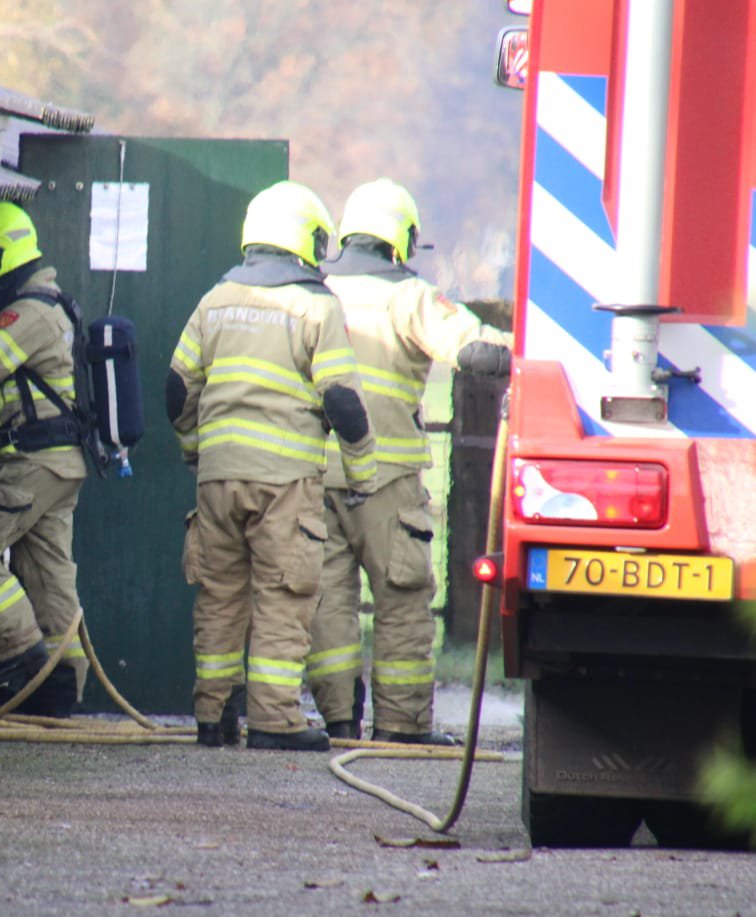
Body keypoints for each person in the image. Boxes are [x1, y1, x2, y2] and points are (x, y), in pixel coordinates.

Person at [167, 180, 377, 751]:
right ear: (306, 238)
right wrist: (361, 475)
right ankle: (274, 719)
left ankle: (212, 718)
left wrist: (196, 449)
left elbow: (177, 387)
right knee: (284, 597)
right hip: (285, 482)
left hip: (218, 477)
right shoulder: (316, 305)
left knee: (219, 596)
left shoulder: (214, 301)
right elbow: (341, 400)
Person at [305, 178, 512, 745]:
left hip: (314, 480)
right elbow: (474, 350)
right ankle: (401, 728)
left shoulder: (313, 291)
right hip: (388, 484)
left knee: (326, 605)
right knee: (401, 601)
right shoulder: (410, 296)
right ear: (403, 239)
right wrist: (535, 349)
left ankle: (339, 724)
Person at [0, 201, 88, 718]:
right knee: (48, 576)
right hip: (57, 467)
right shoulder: (49, 302)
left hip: (31, 464)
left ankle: (19, 653)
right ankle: (57, 692)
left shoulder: (31, 310)